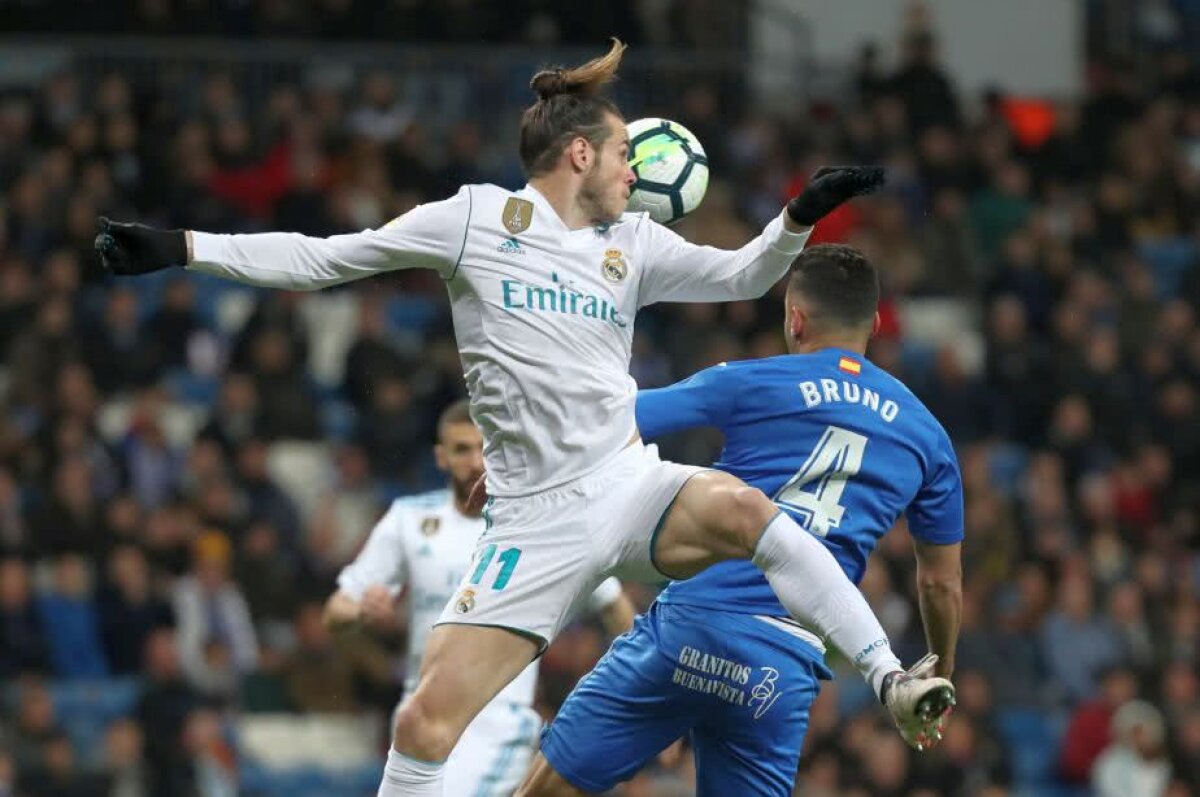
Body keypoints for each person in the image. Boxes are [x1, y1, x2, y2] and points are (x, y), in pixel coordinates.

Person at [95, 40, 952, 797]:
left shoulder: (634, 244)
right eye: (624, 153)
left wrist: (798, 217)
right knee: (425, 725)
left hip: (625, 480)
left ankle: (889, 676)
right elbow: (325, 259)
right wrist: (183, 248)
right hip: (536, 521)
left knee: (747, 511)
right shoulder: (470, 220)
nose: (635, 173)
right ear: (579, 153)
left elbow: (741, 276)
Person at [516, 243, 964, 796]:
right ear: (873, 323)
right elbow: (940, 583)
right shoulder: (928, 437)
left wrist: (527, 455)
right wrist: (939, 673)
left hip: (691, 627)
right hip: (780, 667)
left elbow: (611, 421)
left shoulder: (751, 382)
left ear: (795, 319)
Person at [324, 399, 634, 795]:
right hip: (417, 711)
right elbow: (336, 609)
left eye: (483, 448)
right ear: (440, 457)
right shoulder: (409, 519)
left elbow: (614, 605)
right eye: (461, 449)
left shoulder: (542, 524)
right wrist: (360, 609)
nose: (474, 461)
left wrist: (634, 693)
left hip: (497, 719)